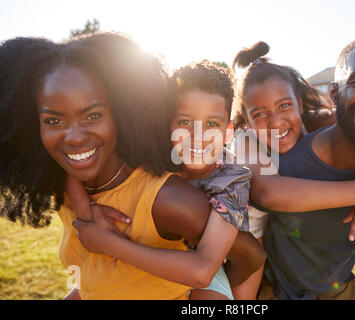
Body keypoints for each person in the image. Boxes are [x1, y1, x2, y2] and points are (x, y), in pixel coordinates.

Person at [0, 33, 263, 300]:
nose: (75, 137)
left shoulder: (199, 189)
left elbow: (228, 262)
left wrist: (112, 244)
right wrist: (86, 209)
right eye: (54, 121)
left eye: (93, 115)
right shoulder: (72, 171)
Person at [233, 35, 355, 300]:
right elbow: (267, 194)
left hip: (336, 285)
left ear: (299, 104)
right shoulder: (257, 149)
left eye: (284, 106)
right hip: (272, 271)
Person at [69, 60, 266, 300]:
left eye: (212, 124)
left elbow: (203, 270)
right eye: (185, 122)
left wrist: (108, 243)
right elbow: (71, 167)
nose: (197, 137)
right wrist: (89, 211)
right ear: (167, 123)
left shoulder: (232, 179)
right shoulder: (152, 156)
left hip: (195, 265)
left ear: (227, 130)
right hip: (147, 245)